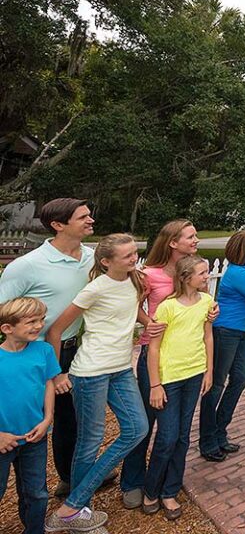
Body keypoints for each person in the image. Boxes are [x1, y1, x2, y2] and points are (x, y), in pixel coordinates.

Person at [45, 234, 149, 533]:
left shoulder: (133, 281)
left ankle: (71, 506)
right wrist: (56, 374)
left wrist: (148, 321)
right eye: (128, 256)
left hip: (120, 369)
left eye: (135, 253)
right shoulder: (94, 289)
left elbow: (131, 309)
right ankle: (77, 511)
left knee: (137, 428)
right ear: (106, 261)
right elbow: (56, 330)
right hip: (90, 372)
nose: (134, 259)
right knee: (89, 442)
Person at [0, 198, 95, 498]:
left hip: (74, 348)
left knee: (71, 417)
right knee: (32, 416)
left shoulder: (91, 258)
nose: (90, 220)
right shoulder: (27, 266)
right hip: (37, 354)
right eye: (83, 217)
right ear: (58, 225)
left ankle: (69, 479)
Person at [120, 219, 207, 508]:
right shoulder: (149, 273)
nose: (195, 240)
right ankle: (133, 481)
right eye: (190, 237)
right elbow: (132, 307)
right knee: (146, 422)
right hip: (155, 357)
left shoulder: (193, 272)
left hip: (186, 360)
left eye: (195, 237)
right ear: (172, 242)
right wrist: (148, 322)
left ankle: (165, 482)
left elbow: (199, 304)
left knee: (175, 431)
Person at [143, 255, 214, 521]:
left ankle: (170, 490)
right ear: (185, 278)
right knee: (167, 437)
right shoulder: (167, 307)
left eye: (207, 272)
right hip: (169, 379)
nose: (206, 277)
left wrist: (209, 371)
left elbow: (208, 337)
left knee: (183, 436)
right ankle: (151, 488)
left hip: (194, 374)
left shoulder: (207, 302)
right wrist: (155, 384)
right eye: (202, 273)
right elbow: (154, 347)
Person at [198, 231, 245, 461]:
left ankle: (220, 431)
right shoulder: (238, 272)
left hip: (240, 331)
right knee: (217, 384)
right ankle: (208, 440)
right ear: (243, 251)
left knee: (240, 378)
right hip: (225, 331)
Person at [0, 298, 60, 534]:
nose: (39, 326)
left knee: (36, 492)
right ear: (7, 328)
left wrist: (47, 420)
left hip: (34, 437)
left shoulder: (43, 351)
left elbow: (48, 385)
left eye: (41, 320)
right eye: (31, 322)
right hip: (3, 441)